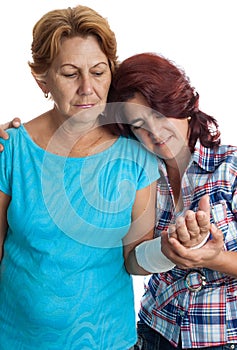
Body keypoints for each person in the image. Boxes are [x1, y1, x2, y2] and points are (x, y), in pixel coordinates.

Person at [0, 6, 214, 350]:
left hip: (110, 341)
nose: (88, 89)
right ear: (42, 81)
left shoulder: (137, 152)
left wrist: (169, 250)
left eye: (98, 72)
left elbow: (133, 259)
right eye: (70, 73)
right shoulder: (10, 149)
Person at [108, 52, 237, 349]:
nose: (153, 132)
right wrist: (166, 251)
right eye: (139, 125)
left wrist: (213, 258)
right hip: (154, 333)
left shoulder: (229, 167)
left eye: (158, 114)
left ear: (182, 105)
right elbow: (133, 261)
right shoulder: (140, 175)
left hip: (223, 339)